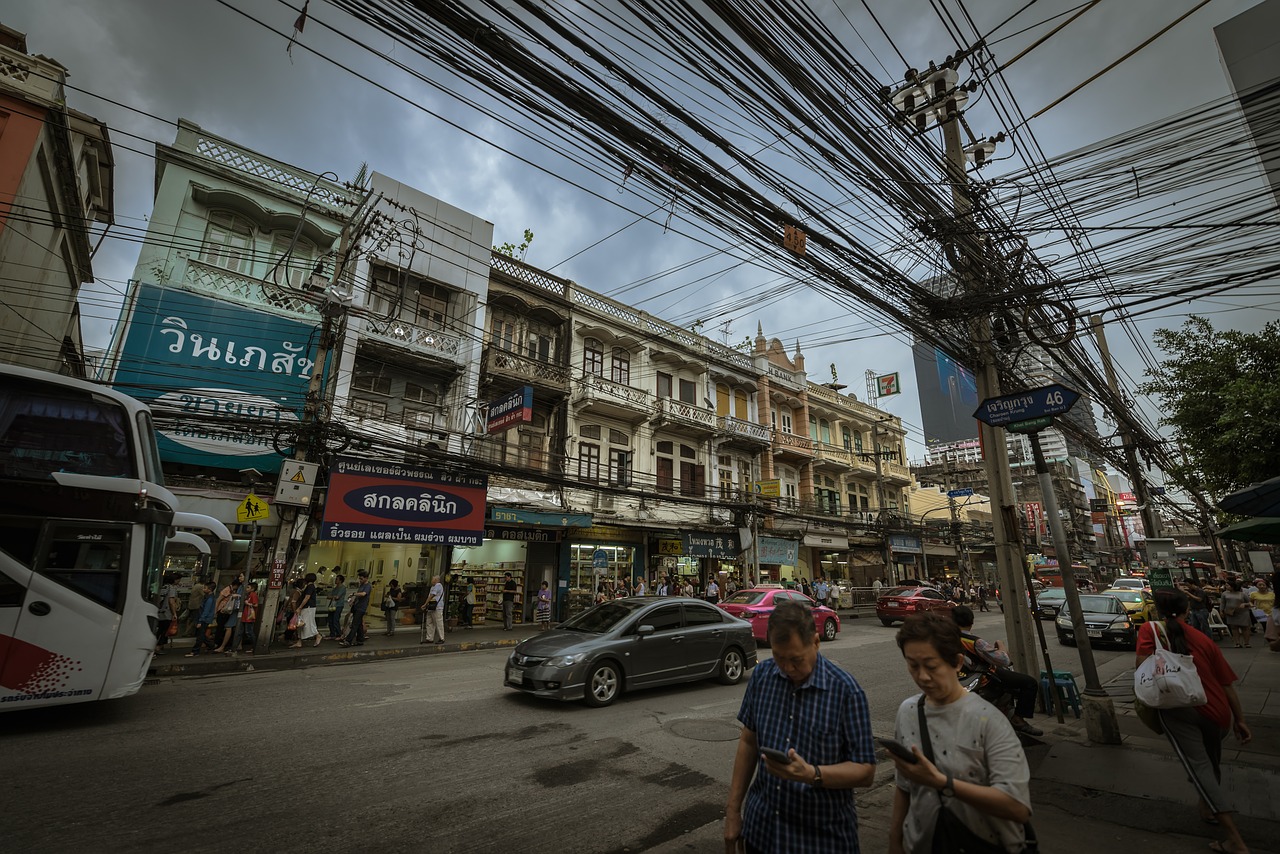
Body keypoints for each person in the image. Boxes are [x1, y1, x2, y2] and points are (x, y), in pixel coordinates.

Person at [723, 601, 876, 853]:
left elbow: (865, 770)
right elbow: (749, 741)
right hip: (761, 832)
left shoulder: (846, 691)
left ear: (816, 642)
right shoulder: (763, 678)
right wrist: (733, 811)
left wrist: (812, 774)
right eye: (778, 657)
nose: (787, 668)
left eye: (796, 659)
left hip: (820, 840)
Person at [887, 611, 1032, 854]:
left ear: (956, 662)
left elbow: (1017, 807)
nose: (922, 676)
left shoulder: (989, 721)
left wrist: (941, 782)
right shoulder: (908, 711)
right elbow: (904, 785)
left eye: (931, 666)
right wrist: (895, 839)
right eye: (913, 666)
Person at [1137, 589, 1252, 854]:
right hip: (1219, 712)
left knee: (1199, 768)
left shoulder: (1150, 630)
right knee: (1211, 763)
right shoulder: (1203, 639)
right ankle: (1207, 808)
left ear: (1158, 610)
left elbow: (1141, 667)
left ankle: (1235, 838)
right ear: (1188, 610)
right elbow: (1226, 684)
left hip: (1179, 709)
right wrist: (1240, 720)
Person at [950, 605, 1043, 736]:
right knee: (1030, 683)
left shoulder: (945, 639)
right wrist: (1001, 646)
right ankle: (1018, 719)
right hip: (984, 678)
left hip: (959, 679)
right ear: (971, 622)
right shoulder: (975, 642)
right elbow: (1004, 660)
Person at [211, 573, 244, 654]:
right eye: (239, 576)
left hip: (235, 610)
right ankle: (232, 645)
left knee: (230, 627)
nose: (240, 578)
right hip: (228, 610)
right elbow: (218, 600)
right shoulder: (230, 589)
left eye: (241, 576)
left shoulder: (242, 587)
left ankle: (225, 646)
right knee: (229, 627)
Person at [185, 581, 218, 657]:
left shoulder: (209, 599)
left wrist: (200, 620)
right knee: (201, 634)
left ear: (210, 589)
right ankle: (211, 645)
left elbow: (206, 611)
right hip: (204, 618)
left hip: (204, 619)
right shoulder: (208, 597)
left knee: (200, 635)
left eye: (205, 588)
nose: (203, 589)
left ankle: (195, 651)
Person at [340, 570, 371, 647]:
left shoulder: (368, 586)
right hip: (357, 606)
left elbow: (363, 594)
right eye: (359, 578)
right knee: (359, 624)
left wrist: (353, 594)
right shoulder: (361, 585)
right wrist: (353, 601)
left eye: (361, 579)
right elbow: (358, 595)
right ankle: (360, 640)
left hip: (362, 607)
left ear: (366, 578)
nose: (360, 580)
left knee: (355, 624)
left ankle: (348, 641)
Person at [291, 572, 320, 648]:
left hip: (308, 607)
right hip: (307, 607)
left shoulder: (310, 587)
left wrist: (300, 607)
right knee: (302, 623)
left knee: (308, 623)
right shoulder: (310, 586)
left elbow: (307, 597)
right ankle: (299, 641)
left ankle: (317, 635)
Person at [1220, 578, 1252, 648]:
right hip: (1230, 612)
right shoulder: (1224, 594)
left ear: (1233, 586)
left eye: (1228, 585)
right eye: (1226, 585)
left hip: (1242, 613)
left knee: (1245, 628)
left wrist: (1245, 604)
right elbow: (1222, 603)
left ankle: (1246, 642)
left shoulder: (1242, 594)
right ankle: (1237, 642)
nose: (1226, 587)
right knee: (1234, 628)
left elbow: (1250, 603)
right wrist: (1221, 611)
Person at [154, 572, 180, 654]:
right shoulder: (171, 588)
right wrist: (174, 613)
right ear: (175, 580)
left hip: (160, 611)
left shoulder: (163, 586)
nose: (179, 581)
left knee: (159, 630)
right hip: (167, 612)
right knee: (165, 630)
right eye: (178, 579)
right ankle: (158, 647)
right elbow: (171, 601)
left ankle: (155, 646)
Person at [420, 575, 445, 644]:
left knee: (438, 622)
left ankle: (441, 638)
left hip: (437, 607)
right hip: (431, 606)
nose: (431, 580)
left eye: (433, 579)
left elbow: (432, 596)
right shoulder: (433, 587)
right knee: (429, 622)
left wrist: (425, 604)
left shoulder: (438, 585)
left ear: (437, 580)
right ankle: (429, 638)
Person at [237, 582, 259, 652]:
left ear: (252, 589)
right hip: (245, 616)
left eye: (248, 587)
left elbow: (256, 605)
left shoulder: (253, 595)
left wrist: (248, 603)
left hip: (249, 616)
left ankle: (255, 647)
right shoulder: (248, 595)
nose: (246, 589)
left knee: (249, 632)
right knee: (241, 632)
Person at [327, 573, 346, 639]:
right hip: (332, 605)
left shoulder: (342, 588)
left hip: (338, 605)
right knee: (330, 620)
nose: (335, 580)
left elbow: (337, 597)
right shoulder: (335, 588)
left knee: (335, 619)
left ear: (340, 580)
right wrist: (333, 597)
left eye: (337, 579)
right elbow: (329, 596)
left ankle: (339, 634)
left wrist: (332, 597)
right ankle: (332, 634)